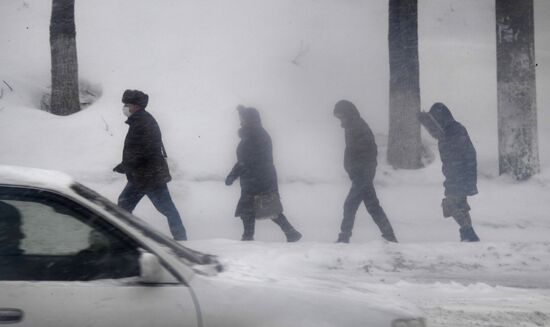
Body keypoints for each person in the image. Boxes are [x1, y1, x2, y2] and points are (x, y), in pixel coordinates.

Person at [113, 89, 187, 241]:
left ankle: (182, 240)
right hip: (141, 176)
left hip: (150, 176)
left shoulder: (143, 122)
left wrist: (126, 164)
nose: (124, 108)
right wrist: (126, 164)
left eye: (127, 104)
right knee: (124, 205)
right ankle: (130, 238)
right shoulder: (139, 121)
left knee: (166, 208)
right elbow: (139, 149)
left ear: (136, 106)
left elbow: (145, 150)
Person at [225, 105, 302, 242]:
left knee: (255, 208)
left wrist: (233, 175)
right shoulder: (253, 133)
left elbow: (246, 160)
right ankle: (290, 233)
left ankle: (248, 237)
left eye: (242, 119)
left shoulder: (255, 135)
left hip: (258, 178)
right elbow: (245, 160)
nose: (240, 121)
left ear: (249, 120)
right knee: (263, 208)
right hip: (258, 177)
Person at [333, 100, 397, 243]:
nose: (340, 121)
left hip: (362, 174)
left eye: (340, 117)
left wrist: (359, 171)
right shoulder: (352, 126)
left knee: (350, 204)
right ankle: (390, 236)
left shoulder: (357, 127)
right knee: (373, 206)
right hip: (360, 174)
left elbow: (366, 151)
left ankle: (344, 237)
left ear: (347, 114)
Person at [418, 102, 480, 242]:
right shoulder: (446, 132)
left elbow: (462, 154)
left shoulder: (454, 131)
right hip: (456, 174)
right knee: (461, 206)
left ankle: (468, 232)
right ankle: (468, 235)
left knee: (450, 204)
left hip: (459, 174)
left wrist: (457, 174)